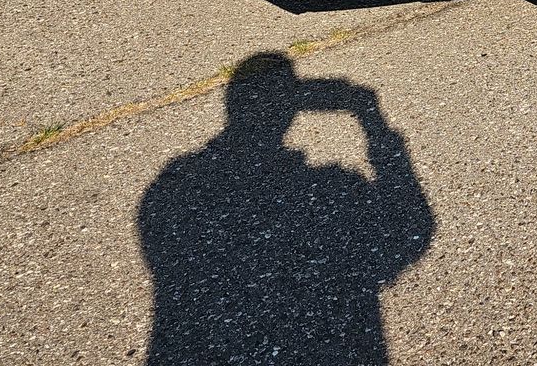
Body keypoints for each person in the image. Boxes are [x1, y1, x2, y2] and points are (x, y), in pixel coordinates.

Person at [138, 51, 434, 363]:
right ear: (292, 110)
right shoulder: (334, 188)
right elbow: (411, 229)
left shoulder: (174, 185)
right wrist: (369, 115)